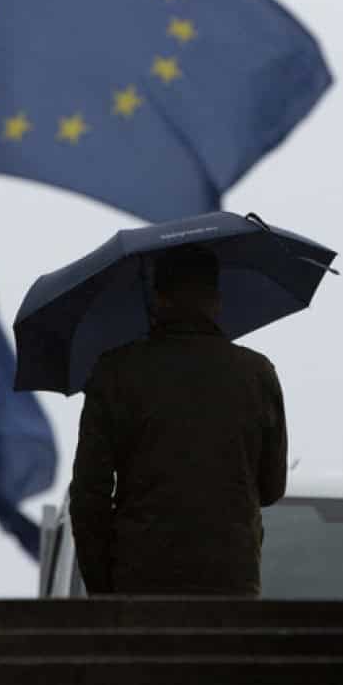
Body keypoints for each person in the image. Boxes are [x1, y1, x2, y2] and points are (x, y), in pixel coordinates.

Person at [69, 243, 288, 596]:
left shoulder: (115, 373)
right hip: (231, 582)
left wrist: (103, 588)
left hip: (140, 580)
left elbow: (87, 495)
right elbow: (272, 487)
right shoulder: (256, 374)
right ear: (216, 302)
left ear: (158, 300)